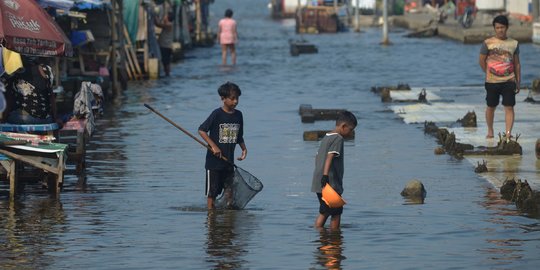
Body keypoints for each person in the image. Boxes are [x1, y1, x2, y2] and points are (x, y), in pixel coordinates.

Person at [198, 82, 247, 209]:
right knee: (212, 192)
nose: (235, 101)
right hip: (214, 163)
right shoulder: (217, 114)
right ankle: (210, 216)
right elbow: (202, 130)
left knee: (230, 191)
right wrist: (213, 146)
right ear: (223, 98)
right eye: (232, 98)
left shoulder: (238, 115)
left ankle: (228, 219)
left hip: (228, 162)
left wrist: (243, 148)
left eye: (237, 98)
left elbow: (239, 135)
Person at [311, 111, 357, 230]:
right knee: (336, 212)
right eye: (351, 129)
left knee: (325, 210)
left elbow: (317, 157)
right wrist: (325, 176)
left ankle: (319, 235)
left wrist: (320, 174)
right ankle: (335, 238)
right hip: (330, 183)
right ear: (343, 126)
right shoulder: (338, 138)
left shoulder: (326, 137)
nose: (351, 132)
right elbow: (330, 157)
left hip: (318, 182)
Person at [479, 15, 521, 140]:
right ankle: (490, 130)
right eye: (497, 27)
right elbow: (481, 60)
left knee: (509, 106)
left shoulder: (514, 43)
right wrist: (488, 73)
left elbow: (517, 64)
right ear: (494, 28)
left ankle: (508, 133)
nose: (500, 30)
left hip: (509, 80)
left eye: (502, 27)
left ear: (507, 28)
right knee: (491, 106)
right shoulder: (487, 43)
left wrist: (518, 81)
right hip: (492, 81)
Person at [1, 56, 59, 125]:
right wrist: (55, 118)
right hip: (47, 119)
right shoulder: (46, 69)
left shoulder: (14, 72)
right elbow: (51, 97)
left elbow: (8, 99)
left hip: (24, 118)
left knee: (8, 117)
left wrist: (3, 119)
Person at [155, 0, 174, 76]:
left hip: (165, 46)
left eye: (166, 16)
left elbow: (158, 24)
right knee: (166, 62)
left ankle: (167, 74)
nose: (164, 17)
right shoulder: (168, 24)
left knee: (166, 62)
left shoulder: (168, 25)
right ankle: (167, 74)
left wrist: (154, 17)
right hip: (166, 46)